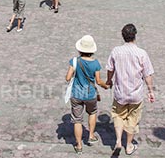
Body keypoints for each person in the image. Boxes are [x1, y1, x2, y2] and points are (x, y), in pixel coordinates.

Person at [105, 24, 155, 156]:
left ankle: (118, 141)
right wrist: (150, 91)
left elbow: (110, 69)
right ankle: (128, 146)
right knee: (133, 119)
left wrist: (109, 80)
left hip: (120, 93)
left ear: (123, 36)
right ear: (135, 35)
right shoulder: (141, 53)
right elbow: (147, 74)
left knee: (118, 116)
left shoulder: (116, 51)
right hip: (136, 94)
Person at [65, 35, 110, 155]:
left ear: (80, 49)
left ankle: (79, 145)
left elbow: (68, 78)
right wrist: (106, 86)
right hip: (90, 94)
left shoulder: (74, 61)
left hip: (76, 94)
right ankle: (90, 135)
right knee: (92, 113)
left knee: (77, 120)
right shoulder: (95, 63)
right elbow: (98, 81)